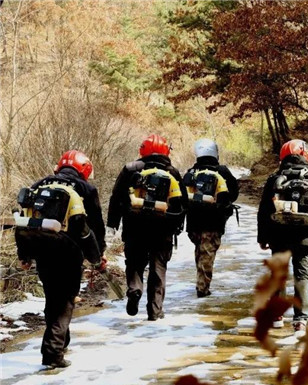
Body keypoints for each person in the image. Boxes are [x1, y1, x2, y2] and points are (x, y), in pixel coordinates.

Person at [14, 150, 106, 368]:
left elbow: (25, 222)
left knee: (52, 297)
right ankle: (53, 353)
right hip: (68, 251)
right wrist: (97, 255)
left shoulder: (39, 185)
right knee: (65, 301)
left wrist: (24, 255)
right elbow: (91, 227)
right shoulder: (86, 189)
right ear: (84, 170)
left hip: (40, 249)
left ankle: (60, 343)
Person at [257, 139, 308, 331]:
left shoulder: (274, 178)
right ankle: (300, 320)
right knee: (302, 275)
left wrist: (263, 237)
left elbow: (264, 211)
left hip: (278, 235)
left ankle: (277, 316)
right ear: (305, 155)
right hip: (305, 235)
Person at [107, 134, 188, 321]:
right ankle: (155, 310)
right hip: (162, 228)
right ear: (165, 151)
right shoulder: (172, 172)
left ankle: (134, 289)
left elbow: (117, 198)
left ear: (143, 150)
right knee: (158, 268)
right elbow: (182, 203)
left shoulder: (130, 169)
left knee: (134, 263)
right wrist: (177, 226)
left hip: (134, 226)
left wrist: (112, 224)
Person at [183, 138, 239, 298]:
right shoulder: (222, 171)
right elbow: (233, 194)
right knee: (207, 254)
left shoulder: (191, 172)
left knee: (200, 251)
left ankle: (201, 282)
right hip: (214, 222)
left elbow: (182, 196)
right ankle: (202, 288)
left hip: (193, 222)